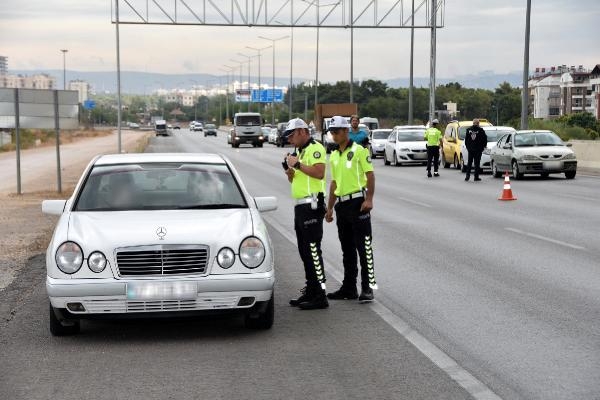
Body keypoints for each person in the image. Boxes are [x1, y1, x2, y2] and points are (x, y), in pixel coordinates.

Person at [325, 116, 377, 302]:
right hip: (342, 206)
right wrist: (330, 208)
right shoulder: (334, 155)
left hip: (358, 203)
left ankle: (368, 288)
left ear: (346, 131)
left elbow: (370, 175)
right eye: (331, 132)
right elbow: (334, 183)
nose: (333, 135)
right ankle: (349, 288)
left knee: (364, 249)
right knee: (347, 249)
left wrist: (369, 199)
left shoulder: (359, 151)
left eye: (336, 131)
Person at [283, 118, 329, 310]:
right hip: (300, 206)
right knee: (304, 252)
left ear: (302, 131)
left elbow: (319, 173)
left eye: (292, 135)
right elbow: (297, 180)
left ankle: (320, 295)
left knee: (313, 251)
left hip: (312, 205)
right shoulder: (300, 151)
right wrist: (290, 171)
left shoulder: (315, 148)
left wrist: (298, 165)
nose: (291, 140)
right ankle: (311, 289)